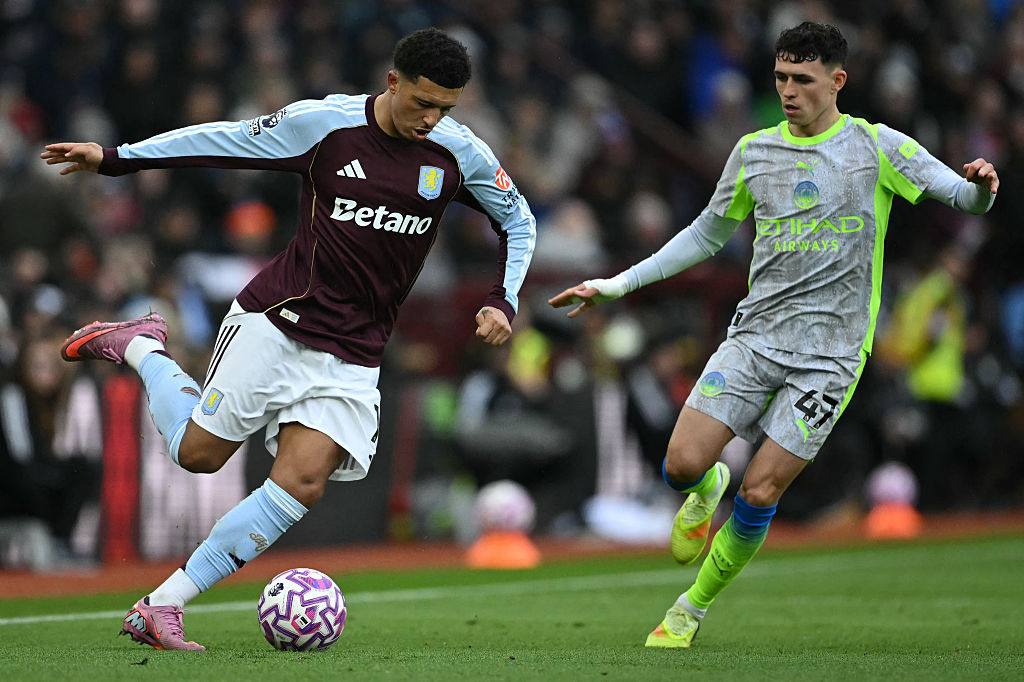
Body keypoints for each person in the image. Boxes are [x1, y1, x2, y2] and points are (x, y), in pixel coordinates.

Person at [42, 27, 536, 651]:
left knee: (302, 483)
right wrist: (115, 158)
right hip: (279, 322)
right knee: (197, 455)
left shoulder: (457, 151)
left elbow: (519, 218)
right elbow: (219, 140)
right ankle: (141, 345)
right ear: (392, 82)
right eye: (423, 103)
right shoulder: (323, 125)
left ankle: (162, 605)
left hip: (356, 352)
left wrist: (503, 297)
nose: (432, 119)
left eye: (446, 108)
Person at [549, 21, 998, 648]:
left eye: (803, 80)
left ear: (837, 82)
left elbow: (962, 197)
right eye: (781, 77)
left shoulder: (877, 147)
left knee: (761, 486)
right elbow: (706, 233)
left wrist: (979, 188)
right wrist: (618, 284)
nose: (788, 90)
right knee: (680, 464)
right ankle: (708, 488)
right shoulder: (754, 151)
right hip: (756, 337)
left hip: (831, 358)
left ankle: (689, 609)